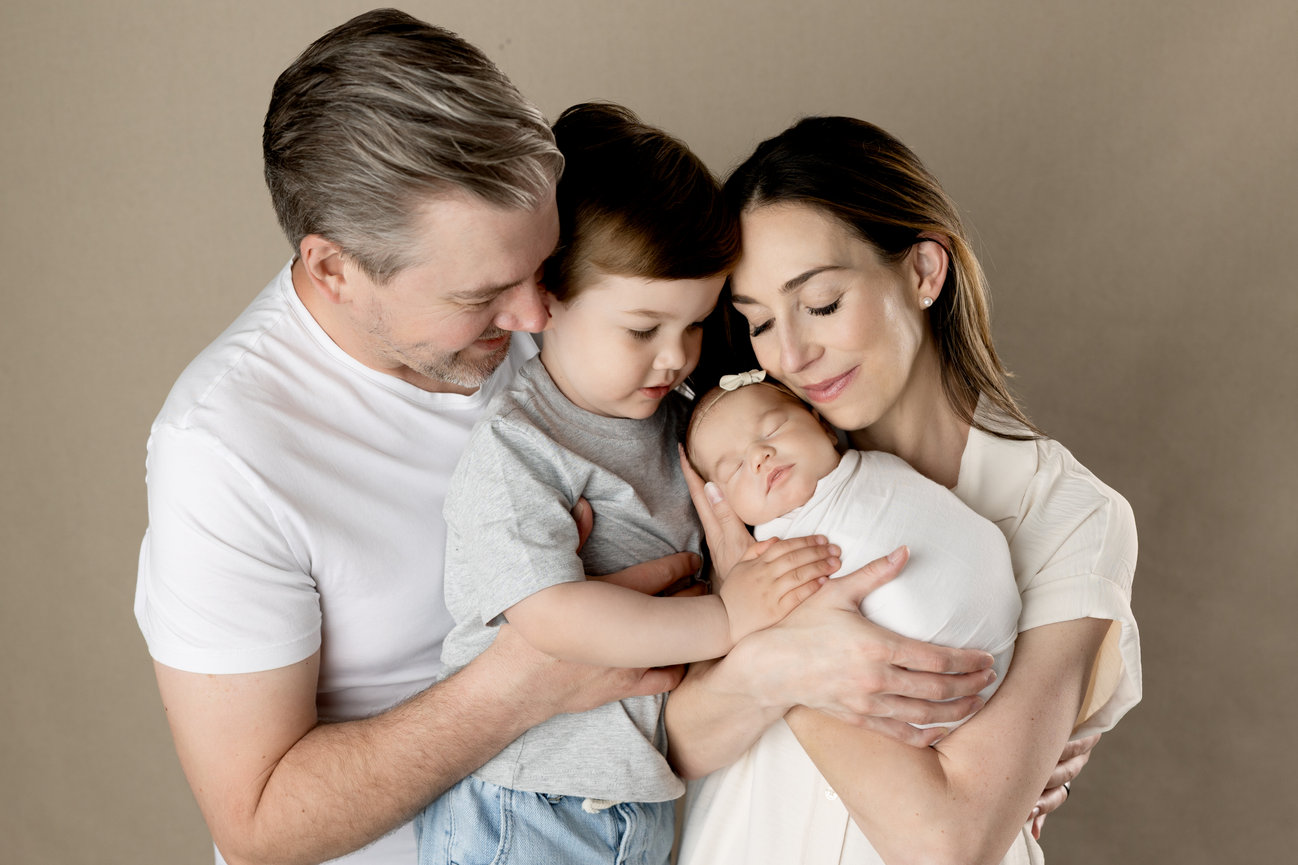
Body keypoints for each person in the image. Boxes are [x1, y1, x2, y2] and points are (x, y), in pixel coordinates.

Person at [132, 13, 703, 865]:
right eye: (481, 297)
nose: (535, 317)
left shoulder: (560, 302)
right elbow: (258, 823)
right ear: (334, 269)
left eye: (543, 266)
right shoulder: (223, 449)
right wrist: (528, 674)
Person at [668, 116, 1141, 865]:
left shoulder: (1065, 512)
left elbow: (947, 841)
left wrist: (783, 645)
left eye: (821, 303)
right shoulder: (741, 470)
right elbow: (667, 748)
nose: (791, 354)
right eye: (758, 323)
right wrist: (780, 659)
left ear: (923, 271)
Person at [415, 102, 834, 865]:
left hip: (632, 801)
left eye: (694, 324)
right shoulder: (518, 446)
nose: (674, 357)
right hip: (523, 801)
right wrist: (724, 619)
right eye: (643, 329)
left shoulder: (682, 419)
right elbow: (552, 615)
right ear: (548, 296)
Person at [683, 372, 1020, 729]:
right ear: (723, 504)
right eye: (734, 467)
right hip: (920, 692)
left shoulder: (874, 463)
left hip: (1004, 634)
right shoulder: (770, 556)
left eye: (773, 429)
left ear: (823, 426)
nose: (758, 456)